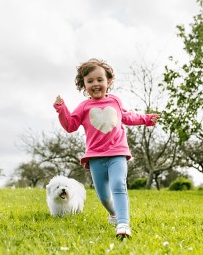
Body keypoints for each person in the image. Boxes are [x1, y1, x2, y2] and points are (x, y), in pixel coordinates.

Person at [53, 58, 160, 239]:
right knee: (103, 196)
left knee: (119, 185)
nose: (96, 84)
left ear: (108, 81)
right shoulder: (84, 107)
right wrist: (61, 109)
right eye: (90, 81)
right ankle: (113, 214)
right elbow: (70, 125)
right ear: (84, 85)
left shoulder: (115, 102)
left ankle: (123, 224)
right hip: (95, 157)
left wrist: (146, 119)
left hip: (118, 152)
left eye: (100, 80)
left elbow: (127, 116)